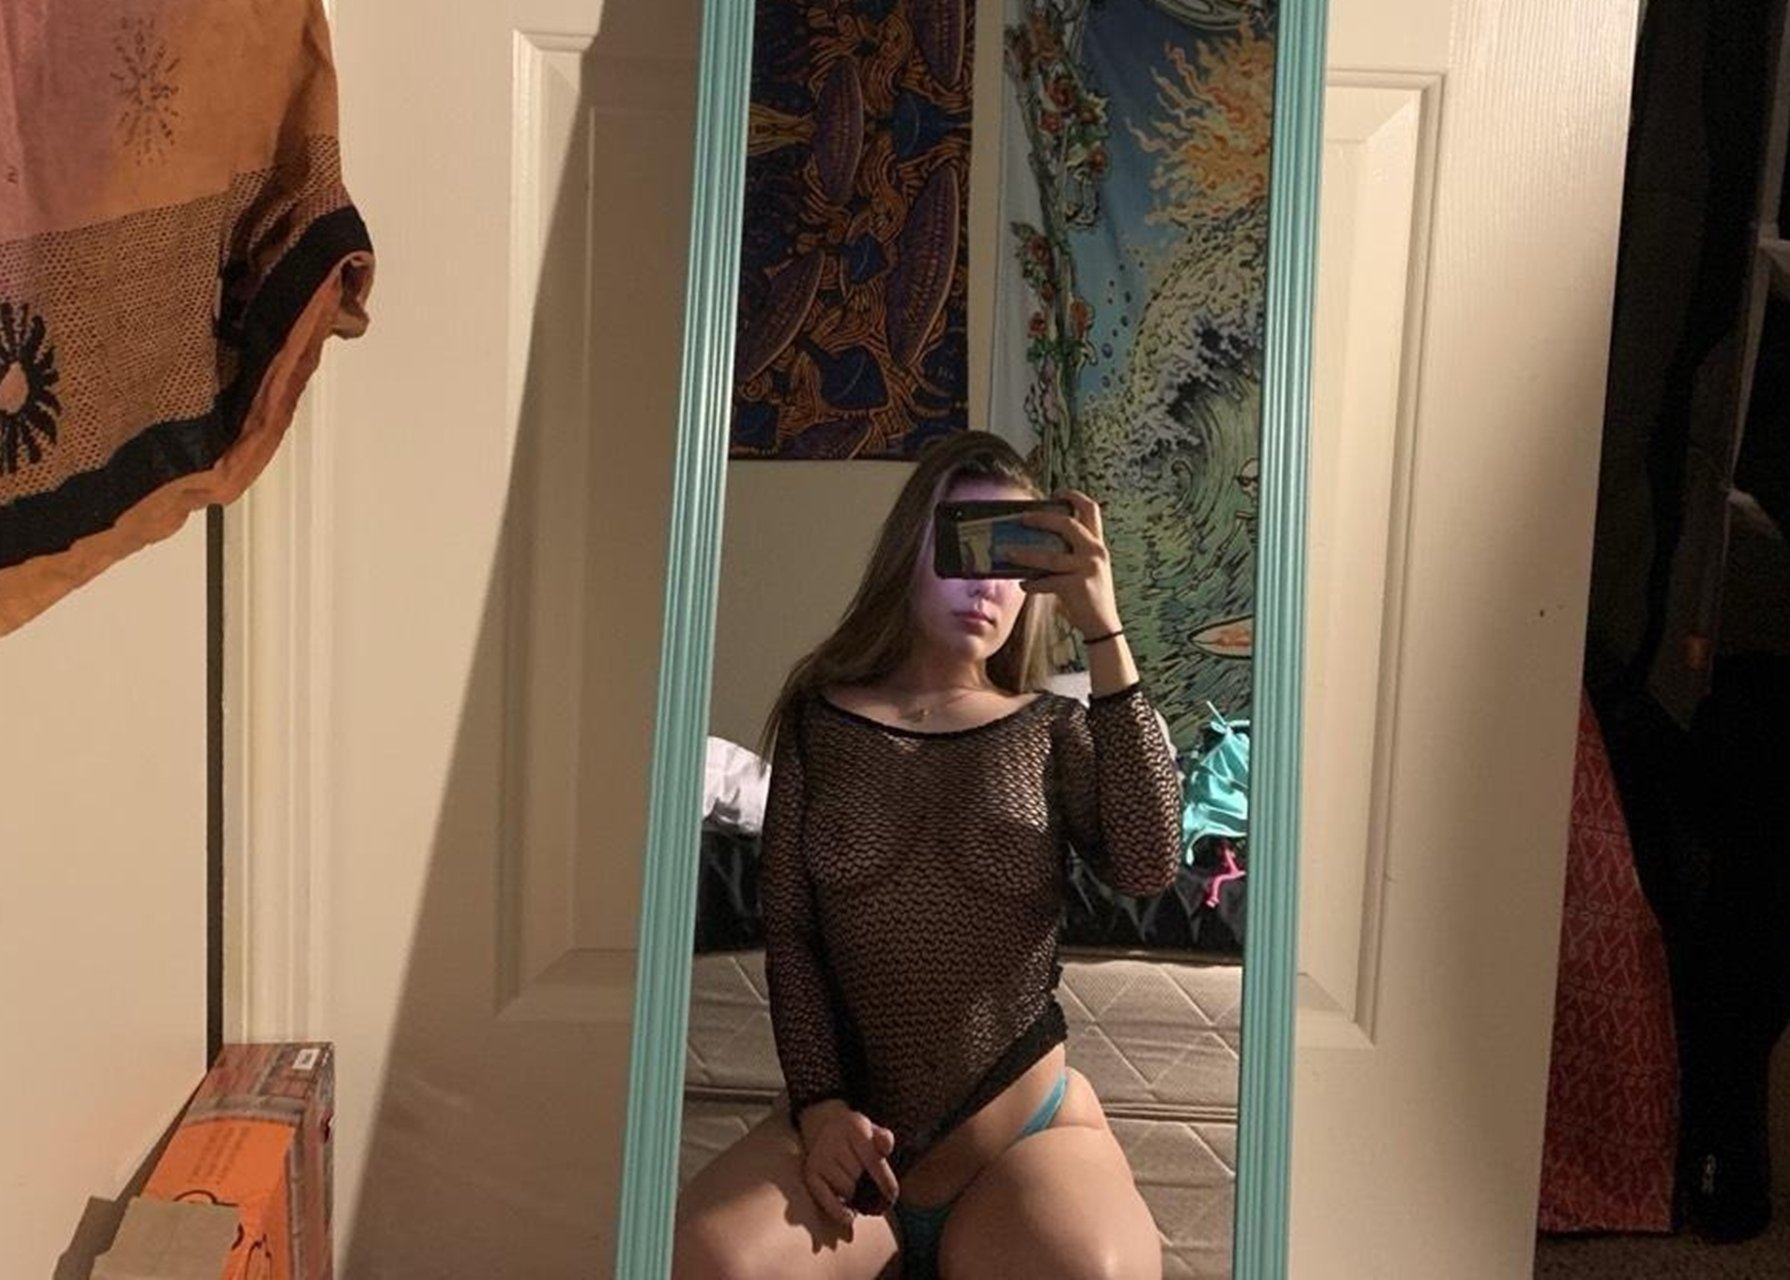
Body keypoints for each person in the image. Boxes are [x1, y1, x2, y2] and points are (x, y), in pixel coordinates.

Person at [674, 432, 1182, 1280]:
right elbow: (792, 934)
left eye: (1011, 557)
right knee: (709, 1259)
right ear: (909, 549)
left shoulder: (1051, 731)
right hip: (849, 1139)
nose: (986, 583)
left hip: (1022, 1142)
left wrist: (1103, 628)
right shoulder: (817, 719)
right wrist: (820, 1106)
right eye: (963, 544)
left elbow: (1148, 863)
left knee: (1091, 1271)